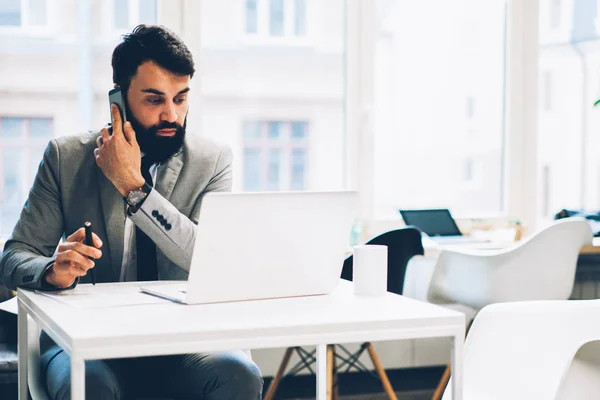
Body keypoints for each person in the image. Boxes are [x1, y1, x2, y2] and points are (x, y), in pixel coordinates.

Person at [0, 25, 263, 400]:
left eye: (181, 98)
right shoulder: (65, 158)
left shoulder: (212, 161)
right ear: (118, 100)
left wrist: (134, 189)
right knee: (88, 384)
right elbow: (13, 257)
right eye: (155, 100)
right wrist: (52, 270)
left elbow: (207, 258)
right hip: (88, 339)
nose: (172, 115)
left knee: (238, 375)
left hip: (184, 343)